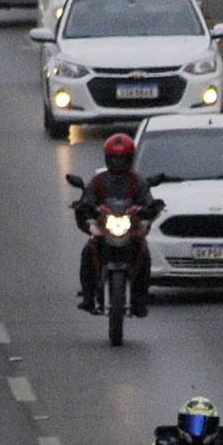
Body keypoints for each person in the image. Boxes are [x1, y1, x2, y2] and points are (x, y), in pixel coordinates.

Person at [72, 133, 160, 315]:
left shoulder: (138, 181)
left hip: (130, 226)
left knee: (144, 252)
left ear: (130, 159)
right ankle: (88, 297)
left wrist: (148, 209)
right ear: (107, 158)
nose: (118, 162)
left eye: (122, 159)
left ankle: (140, 298)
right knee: (88, 251)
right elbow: (88, 198)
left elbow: (147, 200)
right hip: (105, 226)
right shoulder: (98, 181)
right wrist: (85, 207)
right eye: (114, 158)